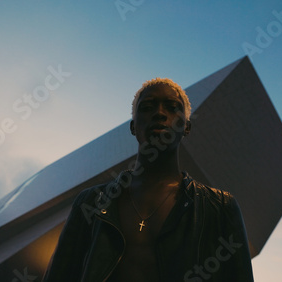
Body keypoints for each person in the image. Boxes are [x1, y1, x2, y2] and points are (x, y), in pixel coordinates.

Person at [43, 78, 254, 281]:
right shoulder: (90, 202)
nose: (159, 113)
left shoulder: (219, 208)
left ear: (186, 127)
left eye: (172, 107)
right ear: (133, 127)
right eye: (147, 108)